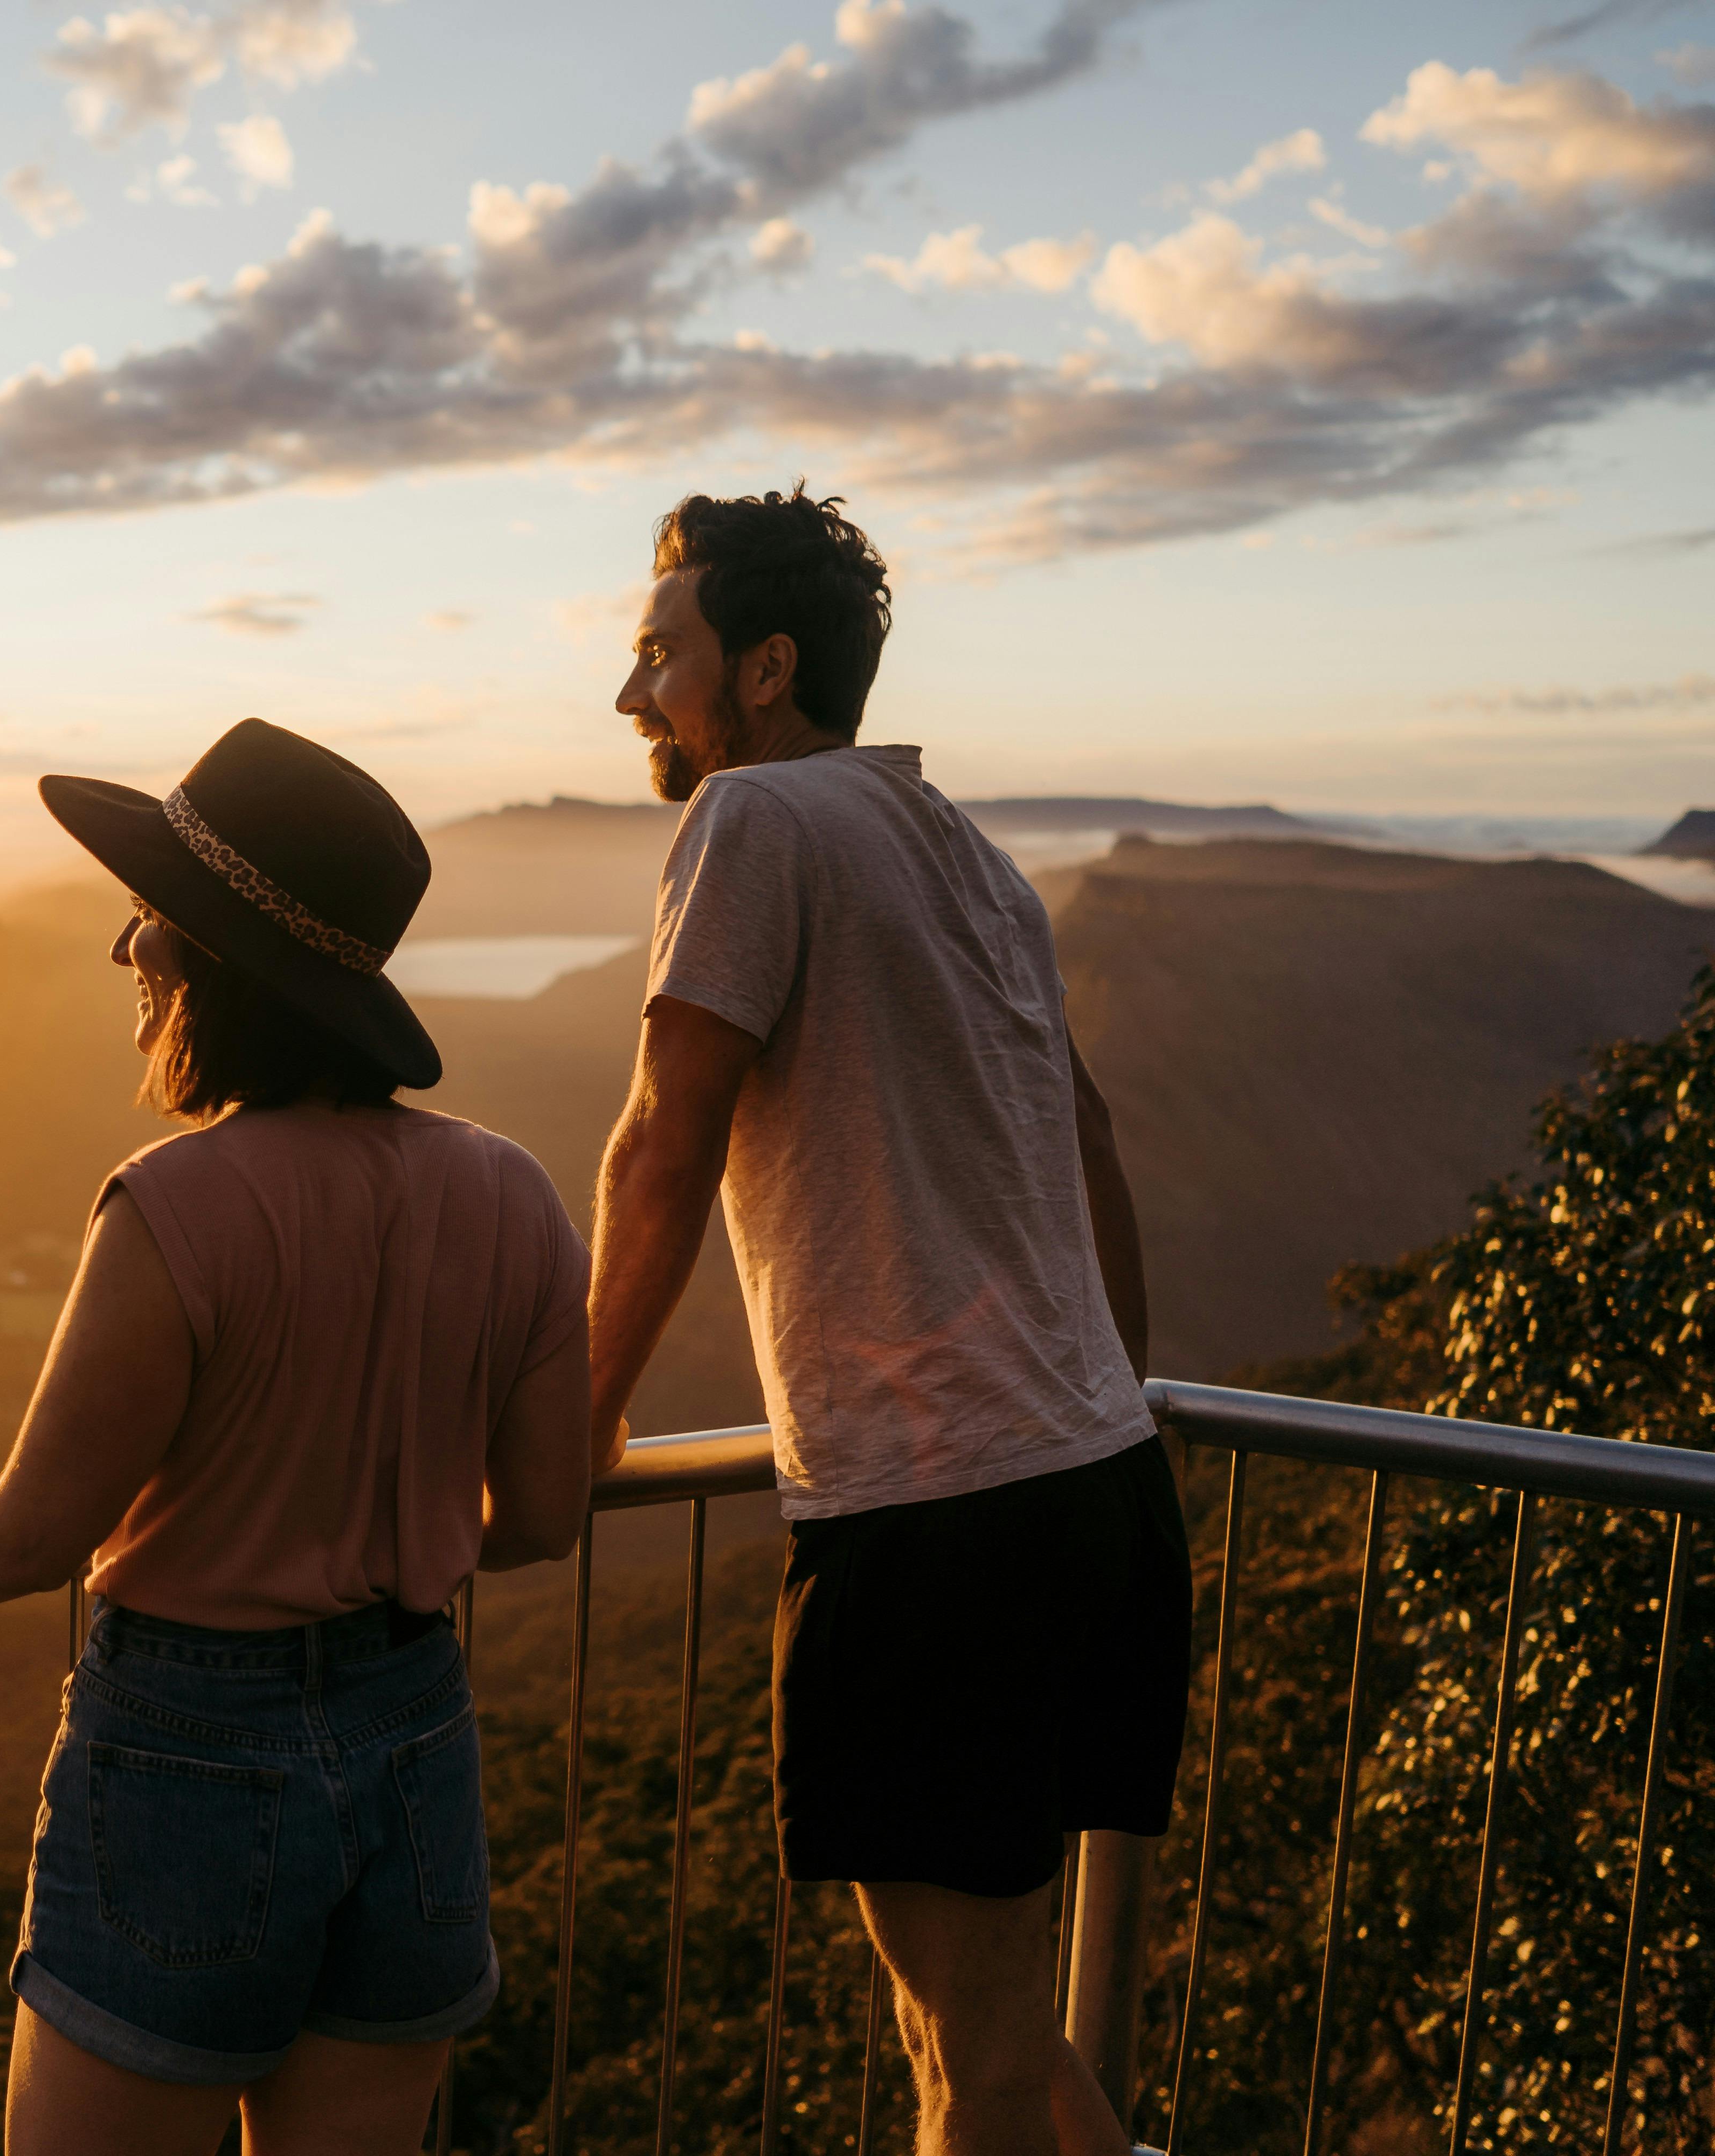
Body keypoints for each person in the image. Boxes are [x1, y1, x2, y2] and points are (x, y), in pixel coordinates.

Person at [0, 717, 599, 2156]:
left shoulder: (176, 1207)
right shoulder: (510, 1190)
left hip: (192, 1768)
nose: (123, 952)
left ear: (209, 958)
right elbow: (539, 1521)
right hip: (418, 1741)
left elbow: (35, 1533)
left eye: (146, 921)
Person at [583, 489, 1188, 2156]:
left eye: (661, 657)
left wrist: (570, 1422)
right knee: (984, 2027)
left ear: (764, 671)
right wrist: (1108, 1412)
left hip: (939, 1521)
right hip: (1093, 1496)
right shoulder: (975, 857)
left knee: (967, 2064)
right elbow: (1092, 1139)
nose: (637, 698)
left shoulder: (752, 822)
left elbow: (666, 1132)